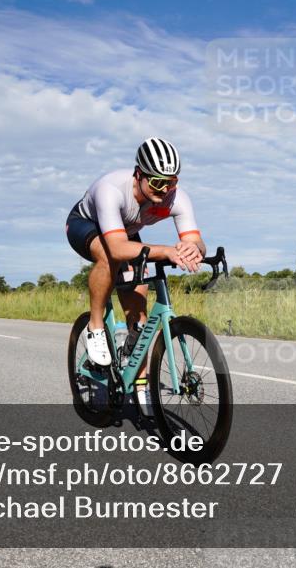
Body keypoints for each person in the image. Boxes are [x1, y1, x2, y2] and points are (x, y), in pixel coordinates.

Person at [66, 138, 205, 411]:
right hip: (85, 224)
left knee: (139, 315)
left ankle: (139, 385)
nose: (165, 190)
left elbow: (197, 240)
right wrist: (166, 251)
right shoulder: (112, 189)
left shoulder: (177, 197)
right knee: (109, 257)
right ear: (138, 174)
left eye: (171, 182)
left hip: (125, 231)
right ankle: (96, 326)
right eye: (156, 182)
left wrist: (192, 248)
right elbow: (117, 249)